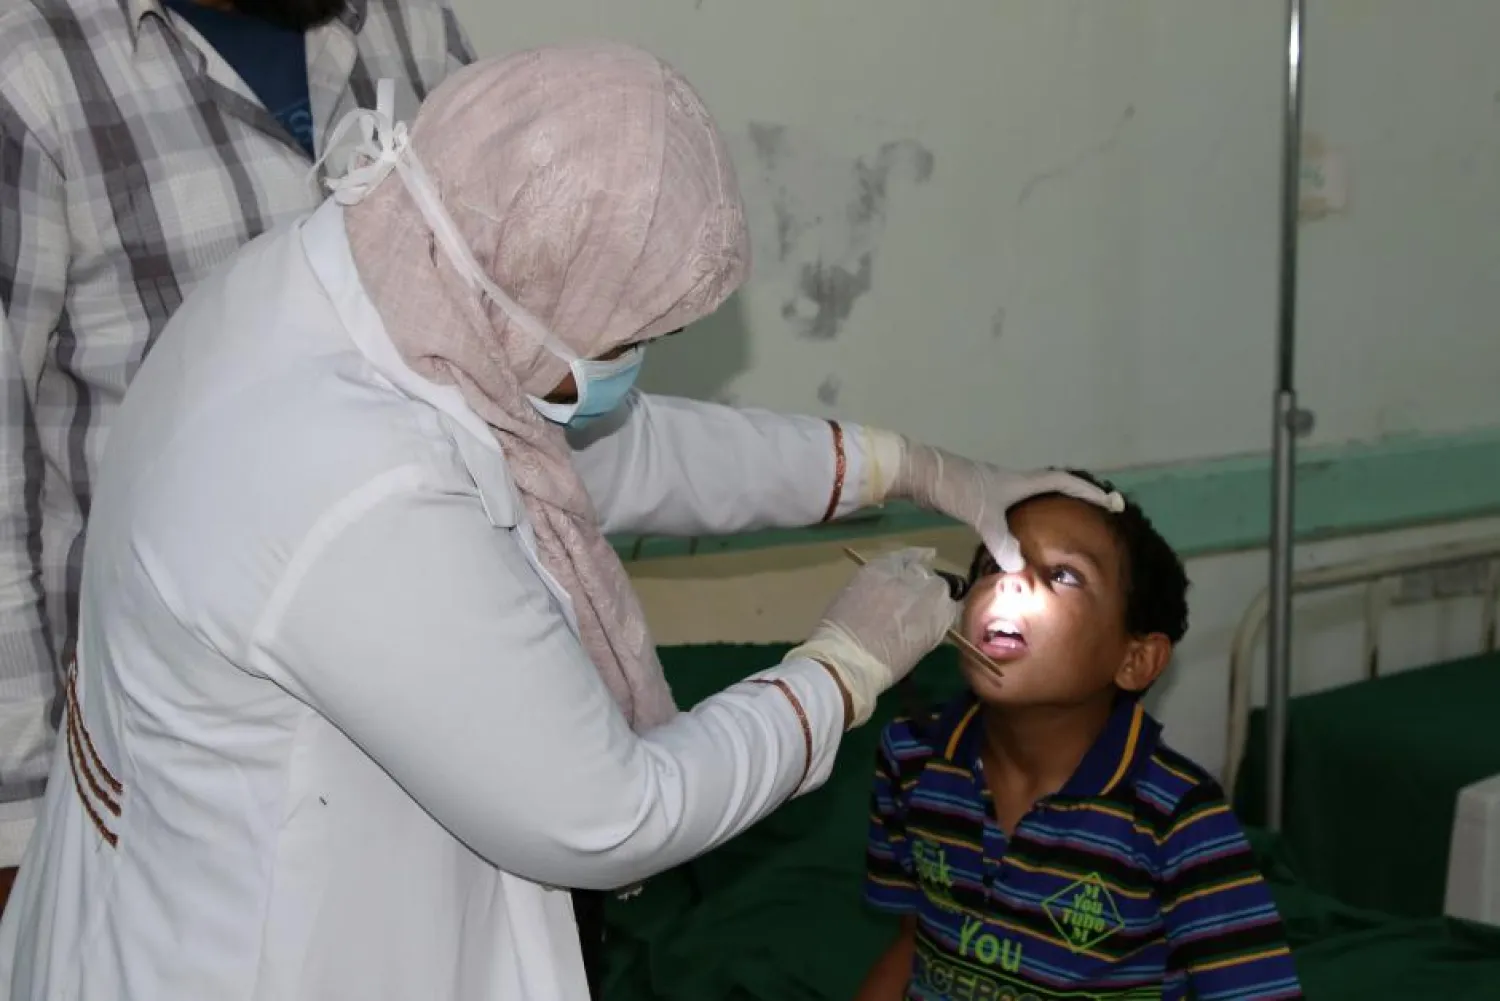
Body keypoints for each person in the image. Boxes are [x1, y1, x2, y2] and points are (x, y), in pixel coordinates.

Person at [0, 45, 1117, 1000]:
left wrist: (912, 464)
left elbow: (602, 452)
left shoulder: (367, 283)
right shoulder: (356, 483)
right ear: (528, 291)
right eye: (633, 334)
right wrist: (840, 667)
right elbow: (613, 813)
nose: (631, 366)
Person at [0, 0, 474, 907]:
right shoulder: (32, 68)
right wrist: (19, 836)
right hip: (168, 807)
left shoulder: (409, 28)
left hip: (437, 762)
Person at [857, 473, 1305, 1001]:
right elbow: (912, 942)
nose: (1008, 581)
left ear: (1135, 660)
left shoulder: (1176, 817)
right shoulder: (911, 757)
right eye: (992, 564)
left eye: (1064, 575)